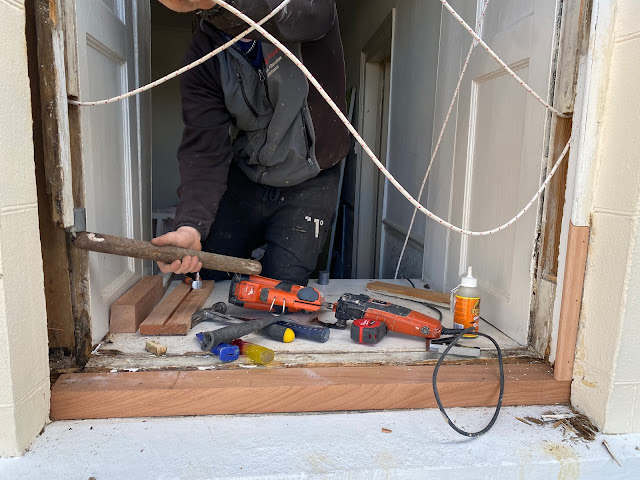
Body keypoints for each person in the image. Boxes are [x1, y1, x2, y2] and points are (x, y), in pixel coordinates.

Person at [154, 0, 350, 286]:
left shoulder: (303, 8)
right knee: (207, 277)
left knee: (282, 292)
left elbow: (314, 14)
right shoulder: (203, 52)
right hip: (247, 178)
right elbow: (205, 149)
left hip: (311, 182)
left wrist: (222, 4)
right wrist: (191, 226)